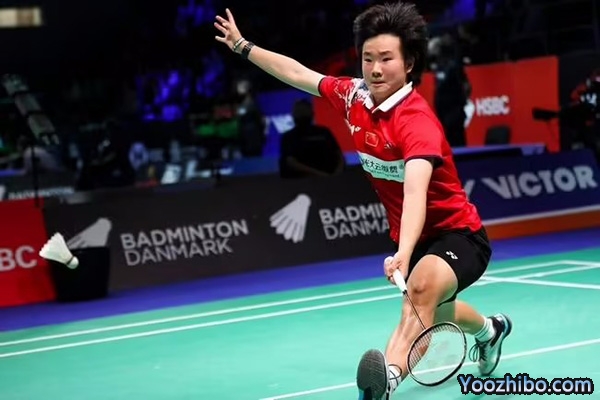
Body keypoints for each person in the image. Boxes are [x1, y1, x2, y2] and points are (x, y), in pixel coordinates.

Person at [214, 3, 512, 399]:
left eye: (386, 59)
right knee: (435, 309)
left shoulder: (416, 121)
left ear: (409, 64)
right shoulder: (353, 96)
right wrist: (243, 46)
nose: (374, 69)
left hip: (458, 234)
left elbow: (415, 192)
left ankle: (386, 380)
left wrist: (403, 252)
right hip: (413, 238)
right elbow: (299, 73)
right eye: (368, 58)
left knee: (420, 292)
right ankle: (491, 331)